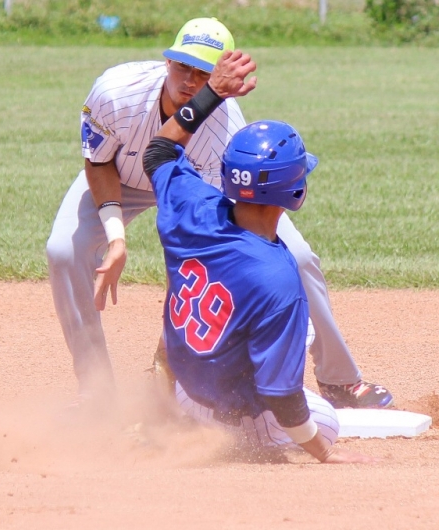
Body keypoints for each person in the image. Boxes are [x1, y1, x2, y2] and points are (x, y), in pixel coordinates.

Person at [46, 17, 393, 409]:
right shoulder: (116, 92)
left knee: (296, 257)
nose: (189, 81)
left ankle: (339, 380)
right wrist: (116, 237)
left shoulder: (223, 134)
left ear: (220, 79)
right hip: (121, 181)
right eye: (182, 66)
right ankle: (96, 390)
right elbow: (98, 162)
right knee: (62, 250)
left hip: (196, 187)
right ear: (167, 63)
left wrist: (168, 349)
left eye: (202, 72)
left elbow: (200, 244)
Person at [141, 49, 375, 463]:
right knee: (324, 421)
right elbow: (281, 395)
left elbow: (158, 150)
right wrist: (323, 453)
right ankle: (240, 447)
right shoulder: (278, 279)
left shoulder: (191, 203)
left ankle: (180, 419)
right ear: (294, 192)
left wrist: (211, 92)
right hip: (235, 414)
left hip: (185, 392)